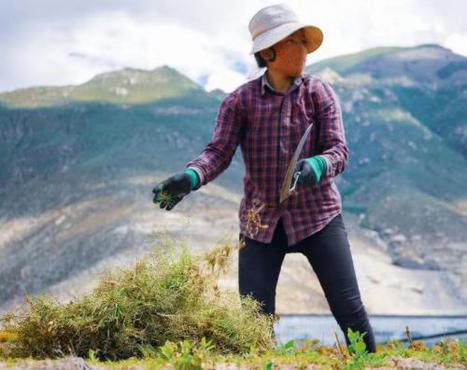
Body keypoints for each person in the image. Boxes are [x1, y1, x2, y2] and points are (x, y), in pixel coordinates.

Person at [151, 3, 376, 353]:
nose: (304, 48)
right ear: (270, 51)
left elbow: (338, 151)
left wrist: (315, 166)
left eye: (304, 41)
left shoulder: (319, 94)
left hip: (318, 217)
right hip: (260, 224)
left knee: (349, 310)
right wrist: (191, 177)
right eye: (296, 41)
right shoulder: (239, 102)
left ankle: (371, 364)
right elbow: (218, 153)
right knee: (254, 324)